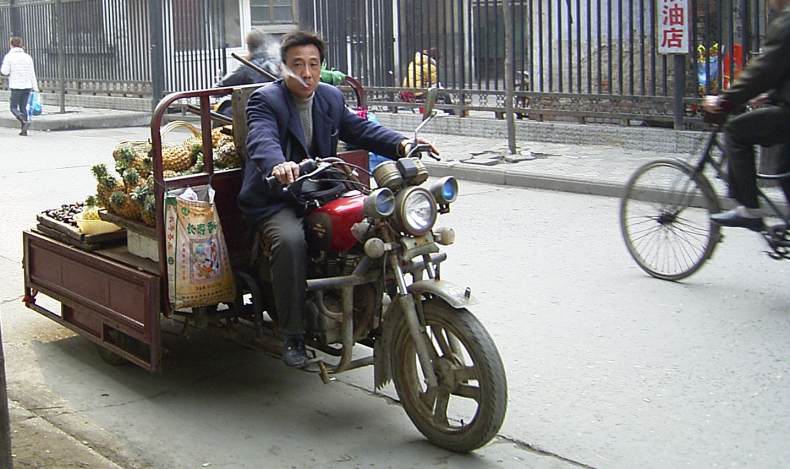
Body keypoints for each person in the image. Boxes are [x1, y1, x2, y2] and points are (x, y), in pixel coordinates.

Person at [239, 31, 438, 368]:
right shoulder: (266, 100)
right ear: (283, 67)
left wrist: (402, 144)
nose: (307, 73)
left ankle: (371, 304)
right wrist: (279, 165)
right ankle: (293, 334)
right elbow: (261, 138)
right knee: (290, 242)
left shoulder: (329, 97)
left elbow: (360, 130)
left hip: (323, 190)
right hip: (279, 197)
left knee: (377, 221)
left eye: (314, 64)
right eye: (298, 64)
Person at [703, 0, 790, 231]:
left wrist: (725, 101)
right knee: (784, 168)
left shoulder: (787, 22)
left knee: (736, 130)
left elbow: (763, 69)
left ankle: (749, 210)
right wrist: (770, 96)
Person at [1, 36, 38, 136]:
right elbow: (32, 73)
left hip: (16, 86)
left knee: (13, 107)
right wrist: (35, 88)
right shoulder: (27, 57)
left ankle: (21, 119)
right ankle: (24, 130)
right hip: (27, 86)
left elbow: (4, 71)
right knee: (23, 107)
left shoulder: (9, 57)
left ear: (11, 44)